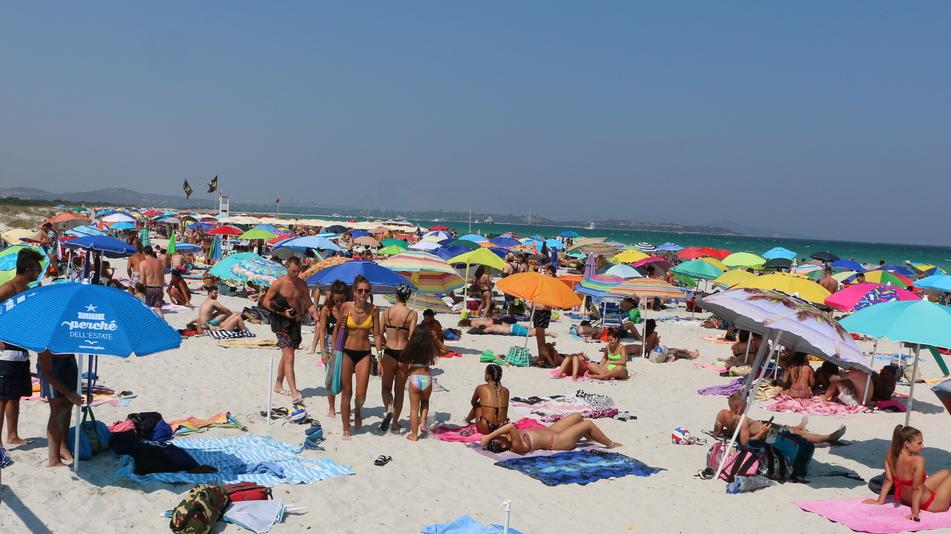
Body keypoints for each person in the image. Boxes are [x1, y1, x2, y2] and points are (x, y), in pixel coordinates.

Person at [0, 248, 44, 456]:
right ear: (28, 269)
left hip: (20, 348)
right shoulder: (8, 289)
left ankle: (12, 435)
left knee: (15, 395)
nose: (40, 271)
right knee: (2, 397)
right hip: (5, 350)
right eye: (38, 268)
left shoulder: (27, 289)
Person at [330, 275, 382, 440]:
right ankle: (346, 428)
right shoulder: (346, 307)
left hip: (364, 353)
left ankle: (358, 410)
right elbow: (336, 329)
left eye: (366, 291)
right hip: (347, 352)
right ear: (354, 291)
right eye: (360, 290)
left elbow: (378, 335)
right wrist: (333, 351)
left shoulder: (374, 310)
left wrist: (380, 358)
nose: (363, 293)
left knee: (361, 394)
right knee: (347, 392)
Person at [263, 256, 318, 405]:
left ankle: (278, 384)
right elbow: (265, 302)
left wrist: (317, 317)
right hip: (280, 321)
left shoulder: (302, 284)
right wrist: (282, 312)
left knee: (287, 353)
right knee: (289, 356)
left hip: (295, 321)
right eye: (293, 271)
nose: (296, 273)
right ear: (287, 267)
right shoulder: (279, 283)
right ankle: (294, 392)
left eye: (298, 271)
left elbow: (309, 302)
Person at [865, 425, 951, 520]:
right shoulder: (917, 460)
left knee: (945, 472)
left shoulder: (890, 453)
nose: (923, 446)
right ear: (907, 443)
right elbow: (917, 489)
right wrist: (915, 513)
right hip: (931, 504)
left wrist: (880, 501)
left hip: (905, 500)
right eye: (919, 443)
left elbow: (889, 480)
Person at [713, 392, 846, 446]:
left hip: (764, 429)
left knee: (785, 428)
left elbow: (716, 432)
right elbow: (745, 443)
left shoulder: (721, 414)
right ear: (737, 406)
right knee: (798, 436)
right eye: (745, 405)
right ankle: (828, 437)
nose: (747, 407)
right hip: (767, 436)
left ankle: (800, 426)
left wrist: (728, 432)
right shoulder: (741, 421)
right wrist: (761, 431)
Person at [480, 413, 621, 453]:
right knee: (588, 424)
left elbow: (506, 426)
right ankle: (610, 443)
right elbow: (510, 426)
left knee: (577, 417)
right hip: (558, 441)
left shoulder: (509, 438)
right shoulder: (516, 445)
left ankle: (589, 435)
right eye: (500, 438)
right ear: (504, 446)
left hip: (552, 430)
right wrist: (490, 437)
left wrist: (489, 436)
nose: (500, 435)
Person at [379, 284, 417, 432]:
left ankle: (389, 407)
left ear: (396, 295)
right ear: (408, 297)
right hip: (404, 353)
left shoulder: (387, 312)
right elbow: (412, 338)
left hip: (389, 352)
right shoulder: (412, 314)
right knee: (399, 390)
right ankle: (395, 422)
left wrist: (384, 342)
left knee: (385, 388)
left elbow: (379, 333)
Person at [36, 351, 82, 467]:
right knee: (58, 409)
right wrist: (68, 393)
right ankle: (54, 459)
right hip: (52, 366)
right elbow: (46, 372)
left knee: (68, 405)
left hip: (69, 360)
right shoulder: (46, 340)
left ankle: (63, 447)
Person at [313, 280, 348, 417]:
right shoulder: (326, 310)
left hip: (346, 345)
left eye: (342, 300)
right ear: (332, 296)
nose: (339, 303)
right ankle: (332, 408)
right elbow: (321, 331)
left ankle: (344, 407)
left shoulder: (349, 309)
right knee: (330, 378)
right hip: (329, 345)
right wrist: (323, 351)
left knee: (345, 379)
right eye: (337, 300)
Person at [401, 326, 438, 441]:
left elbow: (403, 363)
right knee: (425, 402)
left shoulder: (411, 347)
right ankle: (422, 423)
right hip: (427, 377)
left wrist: (406, 372)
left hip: (415, 377)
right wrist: (435, 339)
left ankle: (414, 434)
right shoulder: (429, 347)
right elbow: (443, 350)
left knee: (413, 408)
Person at [822, 364, 898, 406]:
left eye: (884, 373)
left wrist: (840, 374)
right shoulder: (879, 378)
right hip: (867, 398)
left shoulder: (886, 383)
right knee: (847, 383)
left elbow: (833, 380)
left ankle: (824, 399)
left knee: (837, 383)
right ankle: (833, 398)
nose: (881, 374)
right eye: (881, 372)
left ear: (891, 375)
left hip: (863, 401)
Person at [465, 364, 510, 433]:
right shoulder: (506, 391)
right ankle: (467, 420)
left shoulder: (481, 388)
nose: (484, 375)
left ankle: (467, 420)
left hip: (486, 426)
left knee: (479, 405)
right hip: (502, 427)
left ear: (488, 376)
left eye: (485, 373)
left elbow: (473, 403)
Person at [138, 246, 166, 317]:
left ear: (144, 253)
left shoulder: (143, 263)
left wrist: (140, 290)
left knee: (147, 308)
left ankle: (148, 325)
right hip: (159, 288)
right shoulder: (159, 263)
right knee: (158, 309)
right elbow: (162, 278)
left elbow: (142, 278)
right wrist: (162, 289)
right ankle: (162, 325)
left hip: (148, 288)